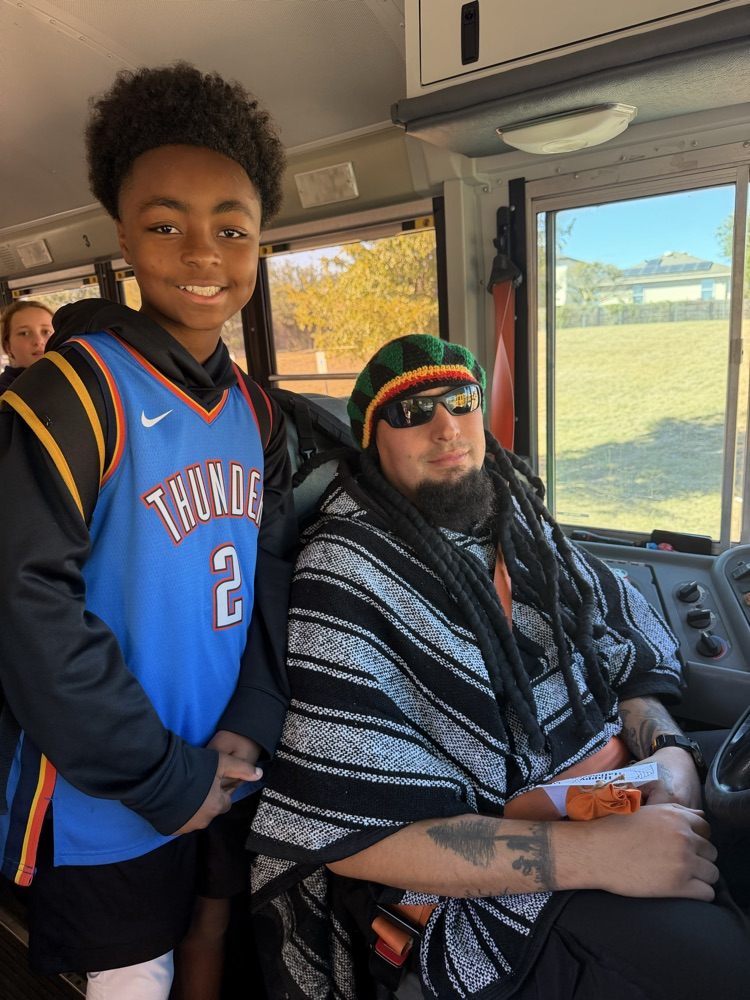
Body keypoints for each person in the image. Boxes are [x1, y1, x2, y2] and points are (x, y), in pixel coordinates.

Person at [247, 333, 750, 1000]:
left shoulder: (514, 515)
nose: (446, 427)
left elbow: (623, 658)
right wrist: (601, 855)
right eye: (410, 412)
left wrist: (671, 760)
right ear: (373, 440)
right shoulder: (346, 573)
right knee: (714, 967)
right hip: (482, 889)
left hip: (612, 787)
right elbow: (351, 833)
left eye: (460, 400)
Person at [0, 62, 296, 1000]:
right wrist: (163, 775)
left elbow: (261, 576)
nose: (202, 254)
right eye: (167, 225)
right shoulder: (71, 392)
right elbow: (25, 608)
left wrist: (248, 724)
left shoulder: (255, 411)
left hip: (221, 761)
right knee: (135, 980)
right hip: (111, 794)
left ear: (259, 242)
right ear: (124, 234)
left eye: (232, 229)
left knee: (212, 941)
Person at [0, 299, 54, 392]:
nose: (38, 341)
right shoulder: (5, 395)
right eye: (24, 333)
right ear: (8, 346)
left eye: (46, 332)